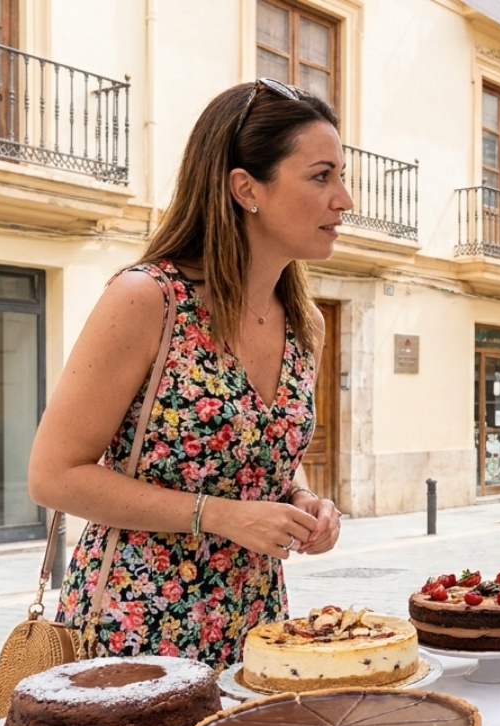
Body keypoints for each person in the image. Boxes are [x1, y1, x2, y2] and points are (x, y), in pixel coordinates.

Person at [28, 79, 348, 667]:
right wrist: (220, 516)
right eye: (321, 175)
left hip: (256, 634)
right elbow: (53, 477)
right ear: (246, 187)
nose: (344, 199)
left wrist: (300, 499)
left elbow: (256, 442)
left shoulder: (306, 323)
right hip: (135, 632)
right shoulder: (148, 299)